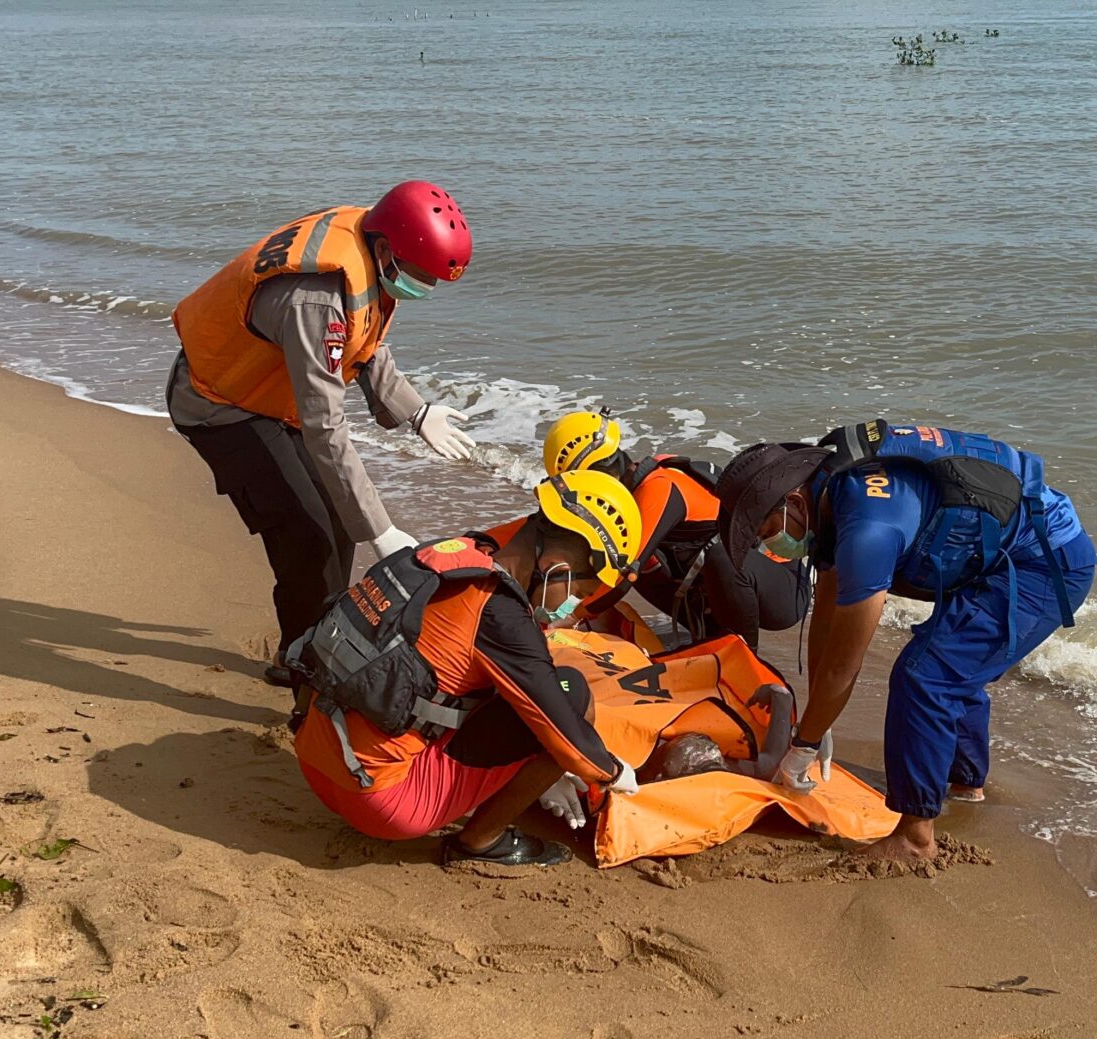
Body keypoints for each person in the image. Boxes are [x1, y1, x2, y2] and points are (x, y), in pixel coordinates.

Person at [714, 420, 1097, 861]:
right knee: (951, 662)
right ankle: (965, 784)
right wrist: (816, 725)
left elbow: (846, 661)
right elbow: (830, 616)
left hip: (1047, 565)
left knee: (926, 677)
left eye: (765, 532)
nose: (771, 547)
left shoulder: (868, 530)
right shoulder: (831, 489)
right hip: (998, 548)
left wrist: (803, 744)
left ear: (793, 503)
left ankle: (915, 838)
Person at [167, 181, 481, 687]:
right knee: (306, 532)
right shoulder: (315, 301)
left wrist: (418, 412)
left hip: (269, 397)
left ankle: (322, 644)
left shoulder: (370, 248)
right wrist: (381, 530)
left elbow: (365, 341)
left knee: (338, 520)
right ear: (385, 249)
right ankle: (301, 662)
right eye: (419, 276)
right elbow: (325, 425)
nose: (423, 288)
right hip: (217, 403)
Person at [290, 471, 646, 867]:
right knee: (572, 696)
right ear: (556, 567)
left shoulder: (443, 556)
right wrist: (611, 772)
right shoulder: (500, 614)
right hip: (381, 802)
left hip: (315, 758)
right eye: (579, 592)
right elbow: (564, 728)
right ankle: (478, 841)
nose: (572, 609)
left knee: (502, 685)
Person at [535, 410, 810, 648]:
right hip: (734, 589)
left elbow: (621, 576)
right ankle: (710, 637)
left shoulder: (660, 486)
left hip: (782, 591)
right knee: (636, 559)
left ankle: (743, 655)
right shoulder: (638, 490)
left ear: (602, 472)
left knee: (639, 563)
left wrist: (570, 617)